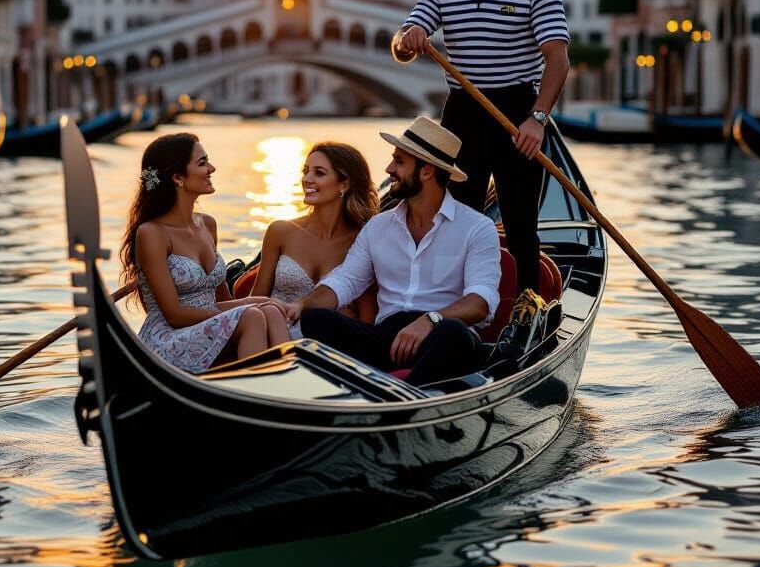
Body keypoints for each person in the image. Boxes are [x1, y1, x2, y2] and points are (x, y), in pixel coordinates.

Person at [396, 0, 570, 293]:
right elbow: (403, 40)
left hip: (516, 113)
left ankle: (526, 305)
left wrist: (537, 119)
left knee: (521, 224)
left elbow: (558, 61)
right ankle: (455, 306)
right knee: (455, 217)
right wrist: (408, 40)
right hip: (462, 114)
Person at [283, 117, 502, 387]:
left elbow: (480, 302)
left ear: (426, 172)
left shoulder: (476, 228)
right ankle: (388, 390)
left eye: (399, 161)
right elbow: (346, 280)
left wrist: (430, 320)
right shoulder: (378, 226)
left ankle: (402, 396)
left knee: (453, 332)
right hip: (386, 340)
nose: (388, 169)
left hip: (442, 337)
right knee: (316, 319)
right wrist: (302, 305)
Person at [121, 132, 288, 373]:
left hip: (211, 324)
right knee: (252, 316)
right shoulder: (152, 233)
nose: (212, 168)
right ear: (177, 177)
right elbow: (174, 315)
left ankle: (289, 389)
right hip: (169, 337)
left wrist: (258, 301)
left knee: (271, 310)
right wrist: (247, 307)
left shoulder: (208, 225)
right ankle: (254, 395)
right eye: (202, 163)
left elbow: (220, 301)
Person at [251, 142, 379, 339]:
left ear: (344, 184)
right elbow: (256, 300)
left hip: (330, 349)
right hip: (273, 337)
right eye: (306, 171)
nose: (306, 179)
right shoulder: (281, 231)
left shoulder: (364, 241)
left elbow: (366, 321)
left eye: (319, 173)